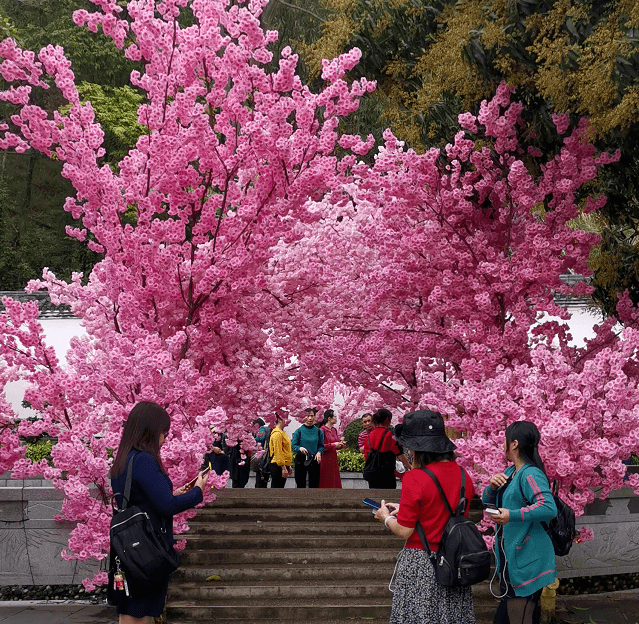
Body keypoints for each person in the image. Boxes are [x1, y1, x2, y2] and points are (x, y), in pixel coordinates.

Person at [110, 401, 209, 624]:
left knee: (130, 607)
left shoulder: (125, 459)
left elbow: (137, 498)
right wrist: (197, 491)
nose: (165, 438)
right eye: (163, 432)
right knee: (143, 612)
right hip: (147, 549)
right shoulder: (145, 460)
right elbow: (167, 506)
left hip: (126, 548)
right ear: (150, 431)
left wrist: (170, 492)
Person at [374, 409, 476, 624]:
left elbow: (405, 530)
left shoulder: (415, 478)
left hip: (422, 562)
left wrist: (385, 517)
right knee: (451, 616)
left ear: (416, 449)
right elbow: (445, 510)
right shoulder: (464, 475)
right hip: (454, 560)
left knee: (419, 616)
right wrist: (406, 507)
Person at [483, 421, 557, 624]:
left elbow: (548, 507)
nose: (503, 445)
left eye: (505, 441)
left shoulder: (530, 473)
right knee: (522, 616)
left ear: (514, 444)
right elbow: (487, 502)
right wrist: (491, 487)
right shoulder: (509, 473)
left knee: (517, 616)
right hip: (514, 554)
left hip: (527, 556)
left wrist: (512, 515)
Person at [363, 408, 410, 488]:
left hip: (372, 473)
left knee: (374, 496)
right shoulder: (390, 435)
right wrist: (409, 466)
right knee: (388, 496)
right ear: (387, 420)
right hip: (386, 473)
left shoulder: (368, 437)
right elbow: (399, 453)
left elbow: (366, 457)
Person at [291, 409, 325, 488]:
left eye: (312, 416)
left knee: (314, 484)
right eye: (307, 416)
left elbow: (321, 445)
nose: (310, 418)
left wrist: (319, 452)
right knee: (300, 484)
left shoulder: (318, 431)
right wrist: (300, 448)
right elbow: (293, 446)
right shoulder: (298, 431)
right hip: (301, 459)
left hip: (314, 458)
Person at [319, 409, 346, 488]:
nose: (335, 418)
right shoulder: (322, 429)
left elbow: (337, 443)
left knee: (334, 479)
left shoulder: (334, 430)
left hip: (333, 458)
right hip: (325, 459)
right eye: (334, 416)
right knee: (326, 480)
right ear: (329, 418)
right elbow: (320, 446)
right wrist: (334, 445)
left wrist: (341, 444)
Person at [269, 413, 293, 488]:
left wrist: (289, 466)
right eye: (285, 418)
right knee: (277, 489)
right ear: (279, 420)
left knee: (280, 488)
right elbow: (278, 452)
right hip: (278, 465)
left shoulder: (282, 433)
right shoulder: (277, 434)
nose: (287, 420)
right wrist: (283, 468)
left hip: (283, 464)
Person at [254, 417, 271, 488]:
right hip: (268, 454)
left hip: (262, 454)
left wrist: (251, 439)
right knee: (265, 473)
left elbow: (261, 438)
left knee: (260, 473)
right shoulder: (268, 429)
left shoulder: (262, 429)